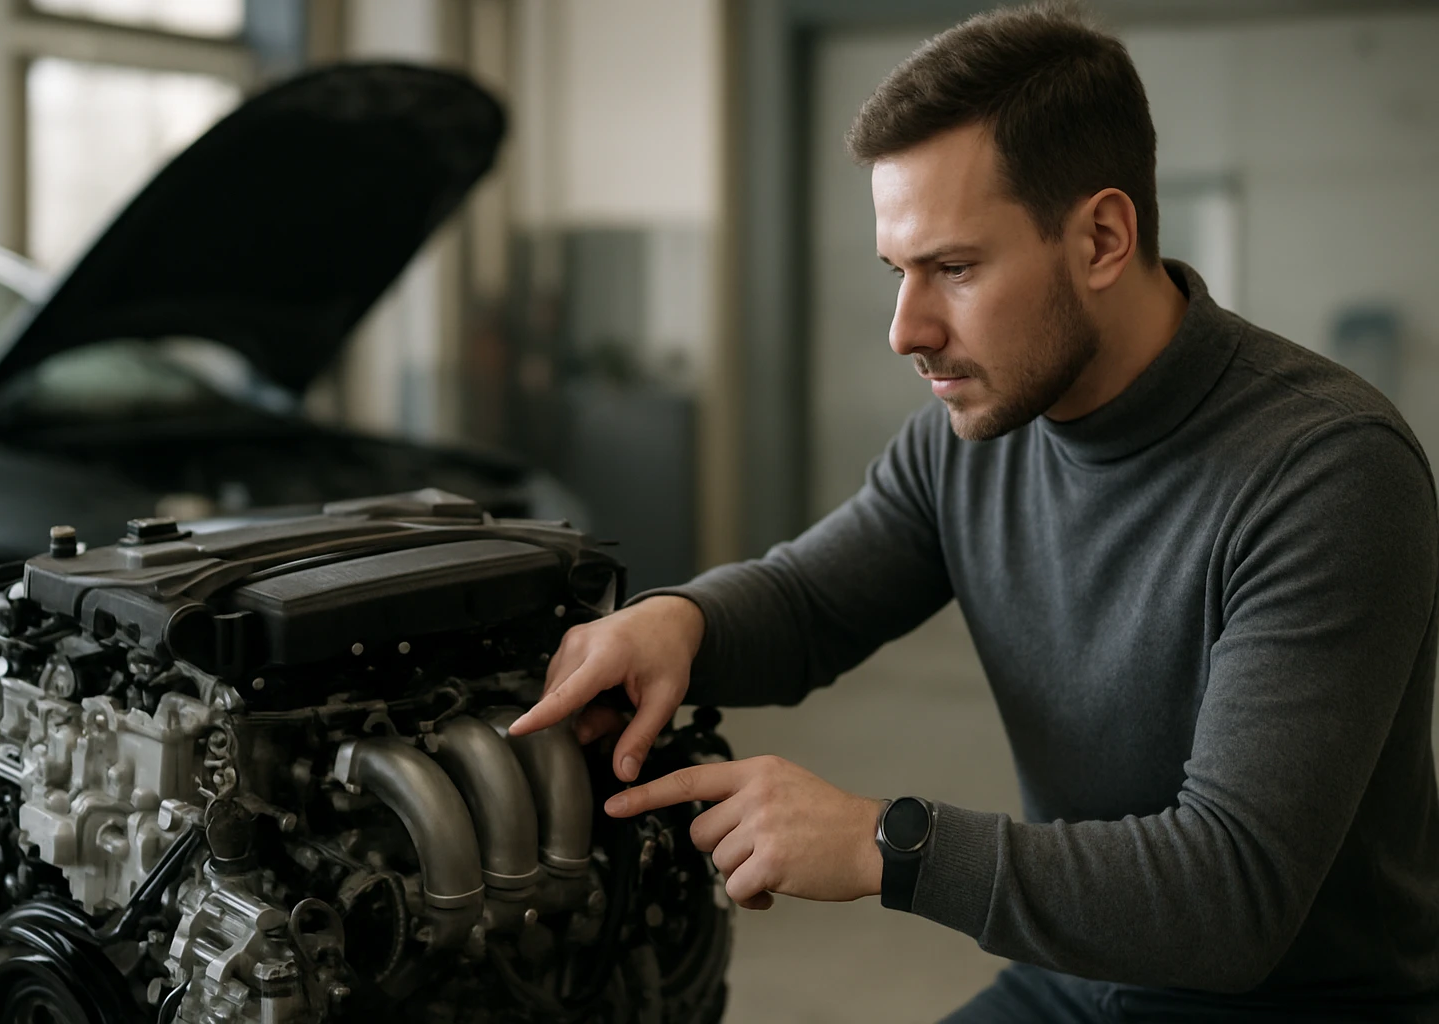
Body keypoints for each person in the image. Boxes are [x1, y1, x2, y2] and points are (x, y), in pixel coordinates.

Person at [509, 3, 1439, 1020]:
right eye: (896, 273)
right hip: (1079, 980)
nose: (908, 328)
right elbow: (812, 599)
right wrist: (678, 621)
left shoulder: (1326, 472)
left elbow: (1231, 894)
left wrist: (882, 841)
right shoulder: (970, 441)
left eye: (953, 268)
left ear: (1102, 237)